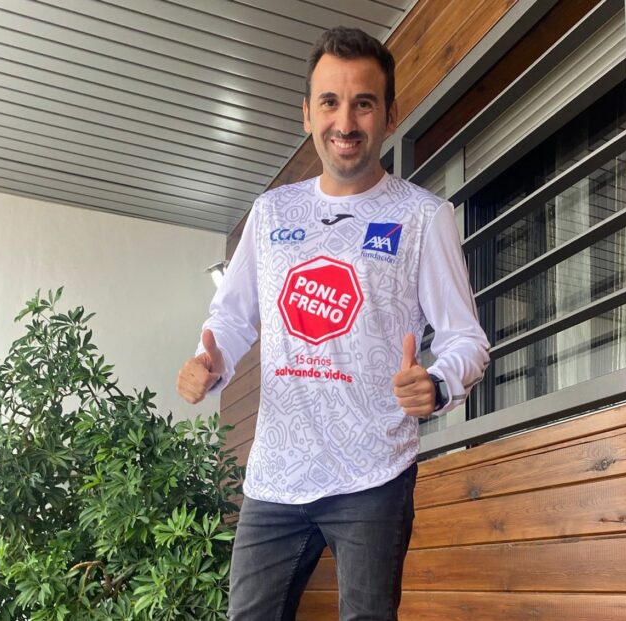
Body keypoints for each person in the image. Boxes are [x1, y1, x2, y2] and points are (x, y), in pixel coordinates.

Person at [177, 26, 489, 621]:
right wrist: (209, 360)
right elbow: (233, 317)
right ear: (307, 113)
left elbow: (465, 338)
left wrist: (437, 383)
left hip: (373, 472)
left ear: (390, 115)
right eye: (330, 102)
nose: (345, 122)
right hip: (276, 472)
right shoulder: (271, 213)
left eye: (363, 103)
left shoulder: (423, 217)